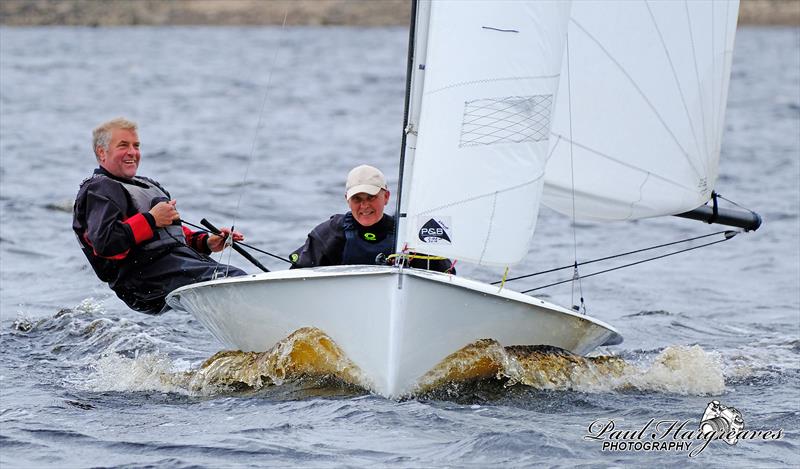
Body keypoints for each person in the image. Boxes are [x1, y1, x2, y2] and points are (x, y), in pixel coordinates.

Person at [73, 117, 247, 314]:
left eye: (136, 145)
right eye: (123, 145)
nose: (132, 152)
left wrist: (206, 242)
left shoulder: (145, 185)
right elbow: (105, 243)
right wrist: (151, 219)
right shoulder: (99, 189)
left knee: (236, 278)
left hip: (171, 265)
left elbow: (169, 235)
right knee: (233, 280)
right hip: (142, 277)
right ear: (102, 152)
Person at [289, 165, 454, 273]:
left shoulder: (409, 235)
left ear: (387, 197)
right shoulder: (330, 233)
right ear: (347, 199)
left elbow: (447, 276)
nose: (364, 205)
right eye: (357, 199)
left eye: (371, 197)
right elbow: (296, 276)